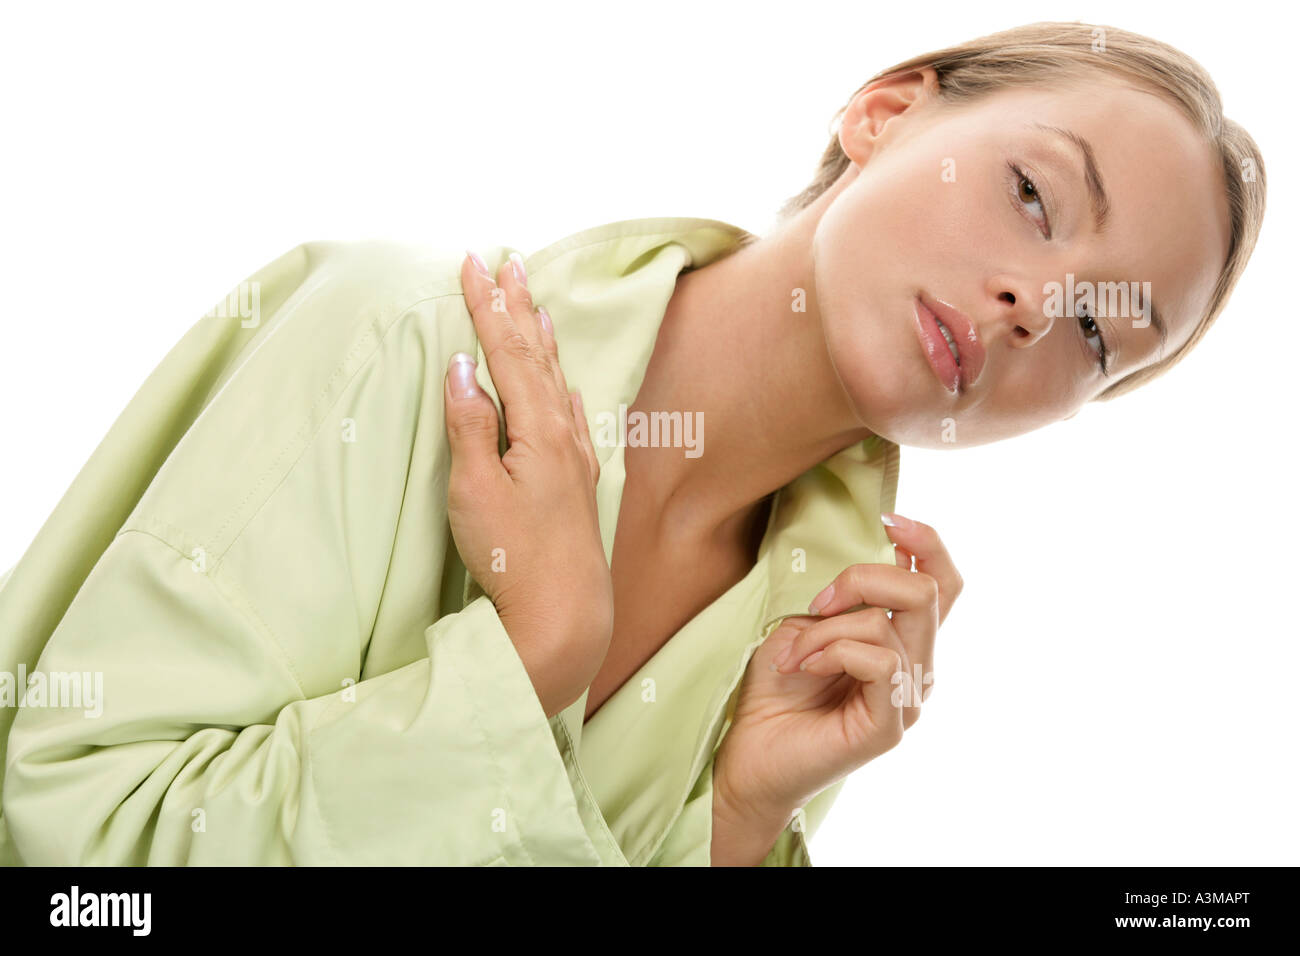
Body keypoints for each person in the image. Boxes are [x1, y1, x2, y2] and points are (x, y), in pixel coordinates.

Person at [0, 20, 1265, 866]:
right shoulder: (394, 336)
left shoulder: (820, 647)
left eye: (1099, 336)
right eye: (1035, 194)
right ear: (885, 114)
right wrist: (530, 661)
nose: (1035, 307)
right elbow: (73, 844)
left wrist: (736, 822)